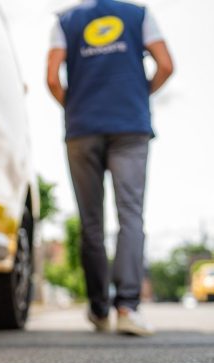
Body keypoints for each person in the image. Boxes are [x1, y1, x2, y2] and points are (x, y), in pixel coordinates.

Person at [46, 0, 173, 336]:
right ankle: (128, 307)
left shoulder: (65, 21)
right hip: (130, 125)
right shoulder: (139, 15)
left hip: (82, 129)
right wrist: (140, 95)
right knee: (130, 214)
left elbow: (52, 78)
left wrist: (74, 106)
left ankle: (99, 310)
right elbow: (165, 65)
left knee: (91, 222)